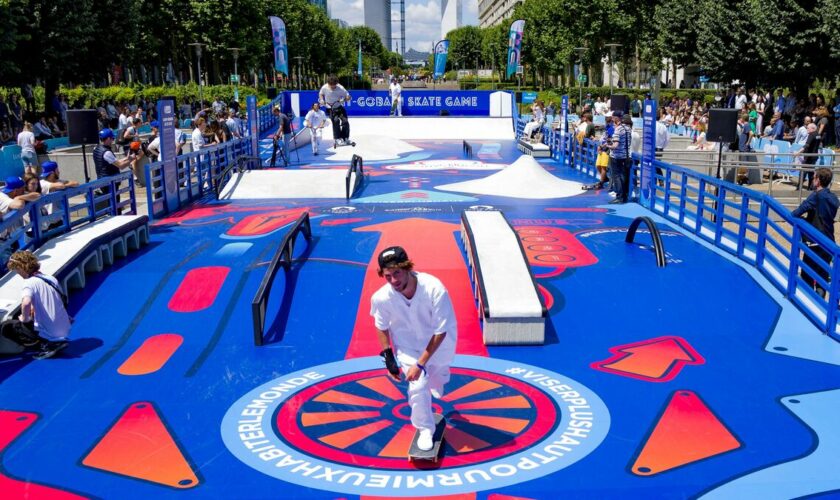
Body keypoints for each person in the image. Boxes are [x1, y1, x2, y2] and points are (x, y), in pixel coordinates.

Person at [370, 246, 457, 452]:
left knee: (438, 379)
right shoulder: (381, 298)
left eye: (397, 273)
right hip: (408, 347)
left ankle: (437, 378)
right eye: (388, 276)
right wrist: (388, 357)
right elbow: (381, 326)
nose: (393, 281)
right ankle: (425, 428)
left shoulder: (435, 288)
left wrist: (421, 363)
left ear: (408, 268)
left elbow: (440, 331)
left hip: (439, 345)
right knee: (417, 387)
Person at [2, 251, 71, 359]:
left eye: (16, 270)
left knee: (7, 326)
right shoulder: (50, 278)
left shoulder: (29, 283)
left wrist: (25, 319)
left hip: (51, 330)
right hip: (65, 327)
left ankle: (45, 345)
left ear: (21, 268)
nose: (18, 274)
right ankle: (53, 339)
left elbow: (26, 303)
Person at [792, 167, 839, 298]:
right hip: (829, 242)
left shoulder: (816, 196)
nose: (812, 179)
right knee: (822, 276)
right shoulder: (834, 198)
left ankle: (808, 306)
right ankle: (820, 306)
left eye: (814, 177)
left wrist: (802, 219)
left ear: (818, 181)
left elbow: (796, 213)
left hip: (814, 242)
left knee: (807, 274)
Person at [93, 129, 136, 210]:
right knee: (115, 206)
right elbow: (121, 166)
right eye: (112, 138)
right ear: (108, 139)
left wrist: (127, 158)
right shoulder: (106, 152)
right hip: (110, 182)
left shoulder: (96, 148)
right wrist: (131, 159)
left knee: (111, 204)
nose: (113, 141)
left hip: (103, 180)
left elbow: (114, 161)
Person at [319, 75, 352, 147]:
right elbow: (321, 94)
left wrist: (345, 99)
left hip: (339, 107)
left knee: (345, 121)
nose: (333, 87)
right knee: (336, 121)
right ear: (328, 84)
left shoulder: (341, 88)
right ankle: (337, 138)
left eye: (334, 85)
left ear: (336, 84)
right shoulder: (324, 87)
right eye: (331, 86)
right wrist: (321, 100)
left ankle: (345, 138)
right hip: (330, 108)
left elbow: (348, 96)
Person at [607, 112, 631, 204]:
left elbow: (615, 145)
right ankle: (624, 196)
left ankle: (619, 197)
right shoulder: (628, 129)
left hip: (616, 156)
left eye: (613, 117)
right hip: (625, 156)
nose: (612, 119)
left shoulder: (618, 129)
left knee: (616, 176)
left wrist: (608, 146)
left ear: (616, 118)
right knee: (623, 176)